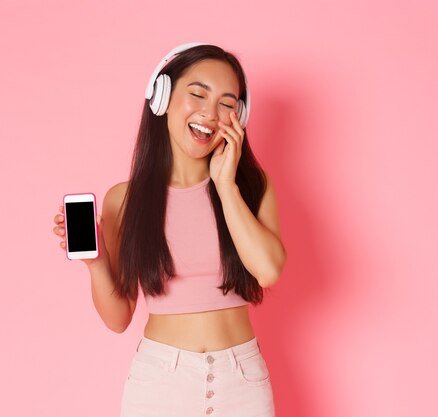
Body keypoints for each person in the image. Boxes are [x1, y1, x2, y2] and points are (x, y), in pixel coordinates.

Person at [52, 43, 286, 417]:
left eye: (227, 103)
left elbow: (268, 270)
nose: (210, 113)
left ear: (239, 116)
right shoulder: (125, 200)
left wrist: (226, 187)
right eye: (197, 94)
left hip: (242, 381)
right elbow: (118, 318)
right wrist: (96, 264)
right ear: (161, 98)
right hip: (160, 384)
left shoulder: (253, 187)